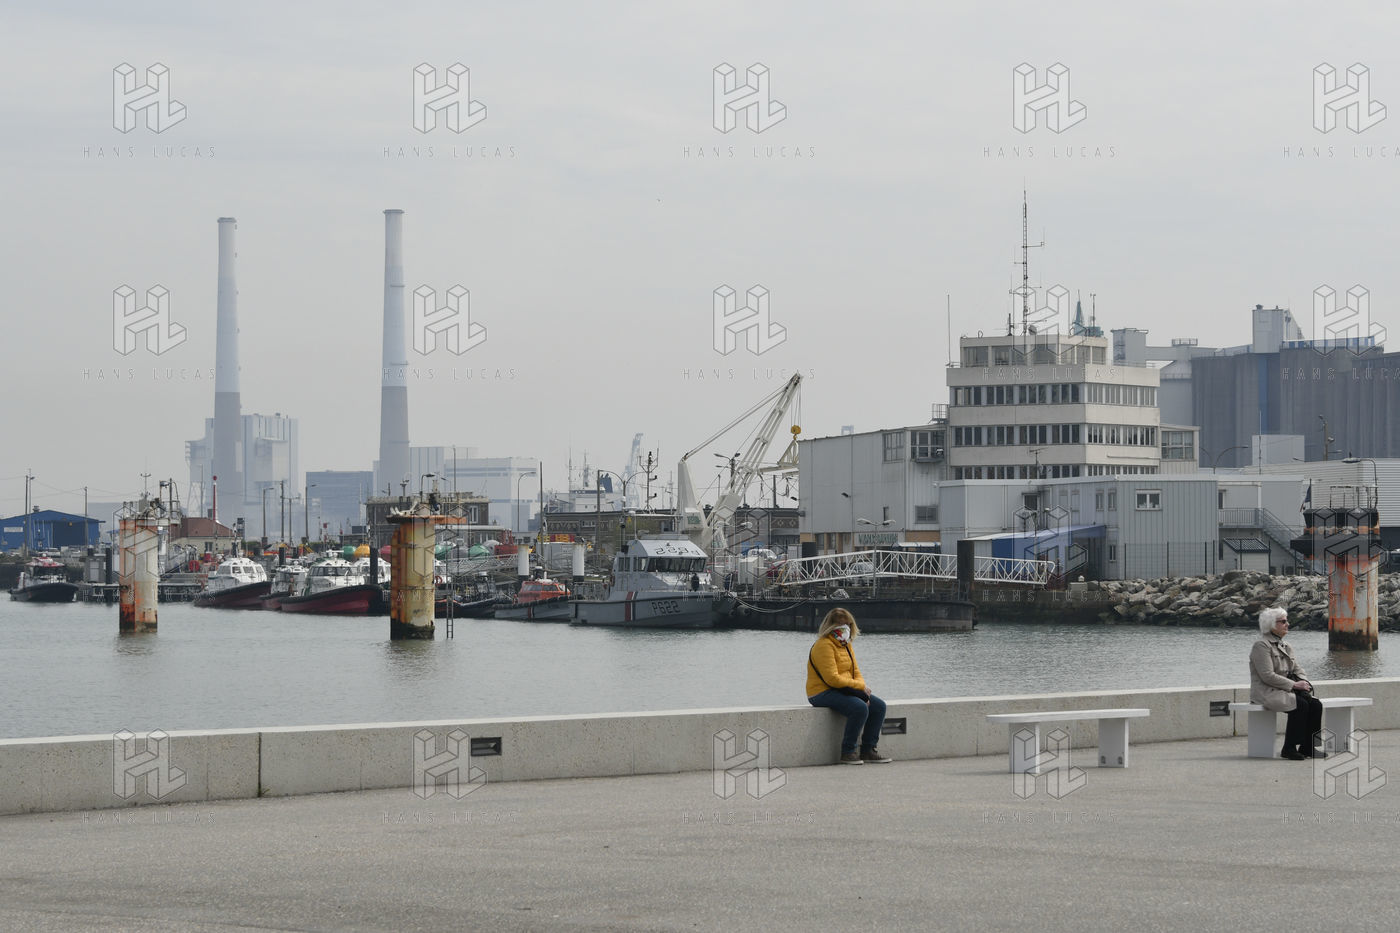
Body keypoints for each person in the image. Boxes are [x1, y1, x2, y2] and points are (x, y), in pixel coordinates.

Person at [805, 608, 892, 765]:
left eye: (848, 625)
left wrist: (860, 687)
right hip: (821, 692)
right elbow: (832, 679)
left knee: (879, 706)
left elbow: (855, 671)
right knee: (859, 707)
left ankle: (868, 750)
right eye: (841, 626)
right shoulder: (824, 645)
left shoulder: (845, 644)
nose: (845, 629)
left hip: (844, 689)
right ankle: (848, 752)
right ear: (830, 627)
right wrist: (860, 689)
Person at [1250, 607, 1325, 760]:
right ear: (1271, 624)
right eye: (1283, 621)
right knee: (1300, 705)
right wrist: (1294, 685)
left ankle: (1308, 747)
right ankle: (1289, 748)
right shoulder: (1261, 646)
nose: (1287, 624)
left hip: (1284, 691)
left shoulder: (1286, 646)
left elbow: (1297, 669)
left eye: (1287, 621)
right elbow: (1267, 676)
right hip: (1266, 692)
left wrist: (1304, 682)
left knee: (1315, 705)